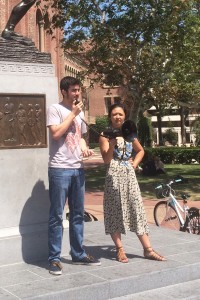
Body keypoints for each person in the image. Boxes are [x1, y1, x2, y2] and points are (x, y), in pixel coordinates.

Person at [47, 76, 101, 275]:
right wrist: (73, 114)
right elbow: (55, 134)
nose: (77, 93)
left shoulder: (80, 113)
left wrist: (85, 149)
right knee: (56, 215)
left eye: (78, 90)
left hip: (78, 169)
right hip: (59, 169)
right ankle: (54, 258)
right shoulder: (55, 109)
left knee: (78, 214)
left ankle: (78, 253)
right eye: (73, 90)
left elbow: (81, 138)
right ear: (64, 91)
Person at [99, 104, 166, 263]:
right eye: (114, 114)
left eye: (120, 114)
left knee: (136, 209)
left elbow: (141, 150)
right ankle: (120, 249)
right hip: (113, 175)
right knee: (115, 211)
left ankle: (148, 249)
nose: (118, 117)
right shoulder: (104, 135)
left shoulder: (129, 133)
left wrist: (134, 164)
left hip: (129, 175)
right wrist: (112, 144)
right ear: (110, 116)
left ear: (125, 115)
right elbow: (106, 160)